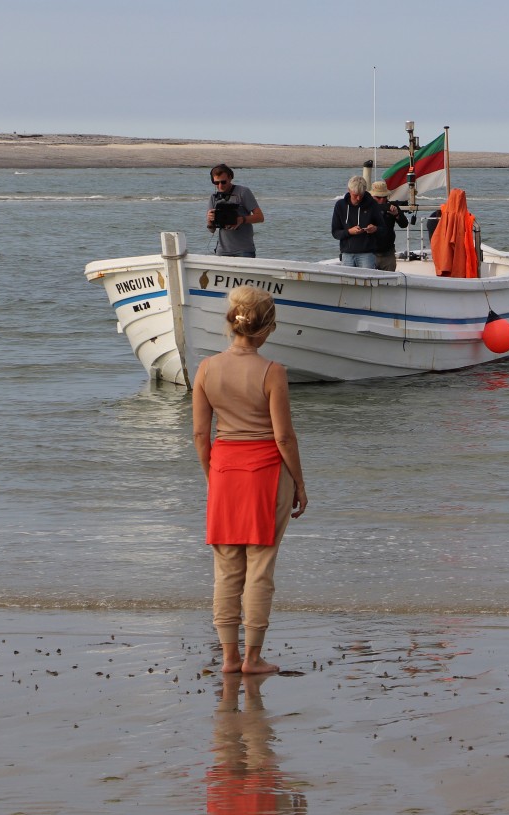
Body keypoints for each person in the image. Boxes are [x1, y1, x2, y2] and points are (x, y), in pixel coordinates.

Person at [192, 286, 308, 674]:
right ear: (267, 329)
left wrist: (214, 475)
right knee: (260, 567)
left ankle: (228, 658)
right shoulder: (273, 372)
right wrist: (301, 484)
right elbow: (283, 437)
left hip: (224, 472)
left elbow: (200, 435)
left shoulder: (206, 369)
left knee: (226, 569)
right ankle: (253, 658)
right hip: (267, 475)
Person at [206, 164, 264, 258]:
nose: (220, 186)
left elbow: (260, 217)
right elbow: (211, 230)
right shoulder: (213, 197)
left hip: (244, 249)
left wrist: (241, 220)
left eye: (223, 182)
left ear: (230, 178)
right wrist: (209, 220)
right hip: (222, 250)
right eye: (216, 183)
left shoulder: (243, 192)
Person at [330, 176, 386, 268]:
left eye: (361, 194)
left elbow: (383, 229)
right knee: (347, 281)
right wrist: (349, 232)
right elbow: (335, 232)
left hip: (367, 254)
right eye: (355, 195)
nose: (359, 198)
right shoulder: (340, 205)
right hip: (347, 254)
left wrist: (375, 229)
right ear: (349, 190)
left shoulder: (372, 205)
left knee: (367, 281)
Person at [369, 180, 410, 272]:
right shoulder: (367, 207)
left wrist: (396, 214)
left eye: (384, 197)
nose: (382, 200)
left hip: (388, 253)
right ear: (372, 196)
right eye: (378, 197)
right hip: (370, 253)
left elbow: (404, 224)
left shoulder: (392, 206)